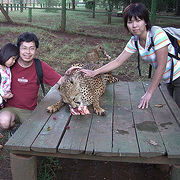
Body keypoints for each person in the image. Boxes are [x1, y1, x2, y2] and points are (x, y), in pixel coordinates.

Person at [76, 3, 180, 109]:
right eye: (130, 22)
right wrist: (94, 72)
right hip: (168, 79)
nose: (134, 26)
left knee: (176, 111)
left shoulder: (158, 35)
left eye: (138, 20)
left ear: (145, 21)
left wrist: (149, 93)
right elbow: (118, 61)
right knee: (174, 111)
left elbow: (161, 66)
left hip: (178, 76)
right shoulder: (134, 41)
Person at [0, 32, 64, 142]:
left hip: (30, 110)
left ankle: (24, 131)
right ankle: (14, 129)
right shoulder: (10, 64)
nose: (27, 52)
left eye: (32, 48)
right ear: (18, 49)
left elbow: (61, 81)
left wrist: (71, 76)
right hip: (9, 108)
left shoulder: (40, 66)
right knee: (4, 121)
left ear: (36, 50)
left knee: (42, 136)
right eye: (24, 48)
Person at [0, 43, 19, 143]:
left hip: (2, 101)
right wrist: (2, 94)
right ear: (6, 55)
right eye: (12, 58)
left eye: (15, 59)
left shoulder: (7, 69)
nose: (13, 61)